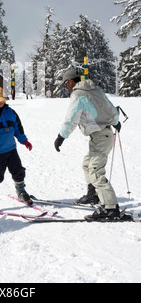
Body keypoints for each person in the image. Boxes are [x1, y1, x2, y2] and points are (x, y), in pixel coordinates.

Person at [54, 68, 121, 221]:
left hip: (100, 136)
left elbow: (71, 118)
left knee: (96, 171)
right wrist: (116, 122)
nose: (66, 87)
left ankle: (110, 208)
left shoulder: (78, 94)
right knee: (87, 164)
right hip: (102, 134)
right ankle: (94, 195)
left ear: (70, 81)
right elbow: (111, 108)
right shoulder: (96, 90)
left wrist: (61, 137)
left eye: (65, 84)